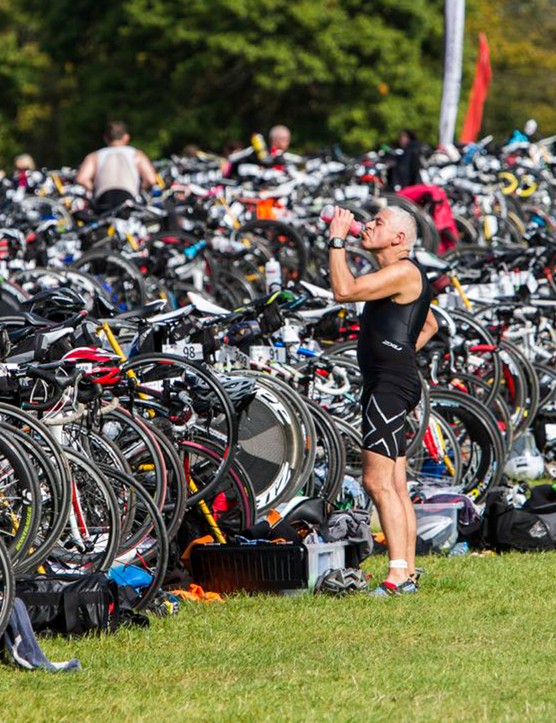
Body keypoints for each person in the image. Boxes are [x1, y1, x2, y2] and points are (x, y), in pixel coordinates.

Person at [328, 205, 438, 596]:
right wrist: (402, 351)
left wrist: (338, 239)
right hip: (394, 380)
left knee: (376, 482)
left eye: (378, 222)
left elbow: (344, 291)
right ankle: (405, 570)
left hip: (389, 386)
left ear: (399, 239)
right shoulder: (401, 277)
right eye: (368, 220)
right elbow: (429, 323)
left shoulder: (404, 271)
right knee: (394, 482)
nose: (368, 224)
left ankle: (396, 578)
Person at [76, 121, 157, 214]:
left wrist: (94, 188)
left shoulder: (95, 156)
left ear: (105, 138)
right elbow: (151, 180)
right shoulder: (136, 154)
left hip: (104, 200)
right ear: (126, 137)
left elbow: (81, 179)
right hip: (129, 199)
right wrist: (141, 190)